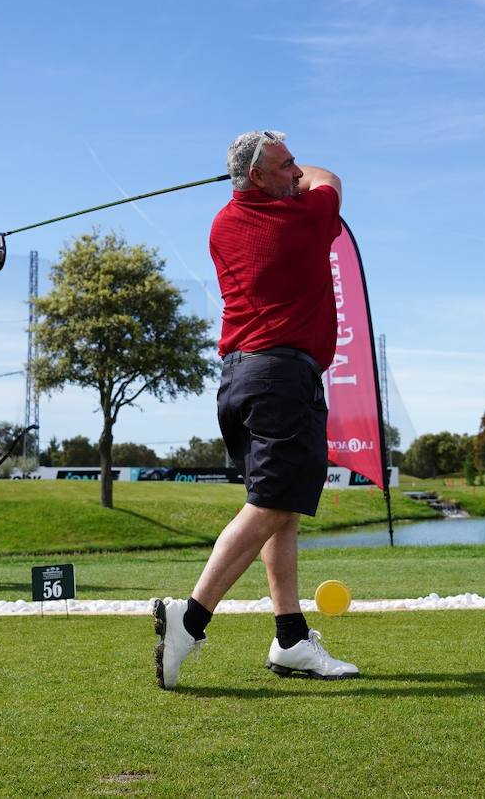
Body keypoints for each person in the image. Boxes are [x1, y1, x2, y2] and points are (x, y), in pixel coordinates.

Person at [150, 130, 359, 690]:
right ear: (260, 178)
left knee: (281, 507)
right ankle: (189, 619)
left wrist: (261, 171)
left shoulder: (222, 224)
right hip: (282, 378)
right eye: (285, 165)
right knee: (269, 505)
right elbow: (328, 177)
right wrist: (299, 173)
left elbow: (296, 180)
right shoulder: (303, 221)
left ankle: (290, 639)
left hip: (241, 380)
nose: (296, 173)